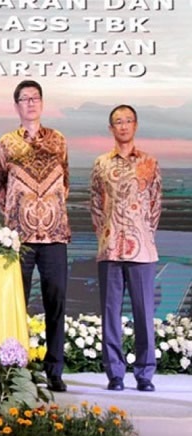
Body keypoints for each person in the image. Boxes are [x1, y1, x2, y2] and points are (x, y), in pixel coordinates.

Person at [0, 80, 70, 392]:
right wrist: (20, 210)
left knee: (56, 305)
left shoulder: (59, 140)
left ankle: (54, 371)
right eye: (24, 99)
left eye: (35, 98)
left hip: (54, 237)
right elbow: (0, 186)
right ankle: (17, 369)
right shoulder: (6, 143)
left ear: (42, 103)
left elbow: (65, 183)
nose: (30, 103)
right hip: (19, 240)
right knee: (16, 305)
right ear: (16, 106)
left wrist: (47, 207)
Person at [90, 105, 162, 392]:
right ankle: (115, 374)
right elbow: (95, 204)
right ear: (111, 128)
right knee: (111, 312)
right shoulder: (101, 163)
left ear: (136, 125)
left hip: (142, 250)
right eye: (117, 122)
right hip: (110, 249)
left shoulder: (149, 162)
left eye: (128, 121)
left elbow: (156, 204)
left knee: (144, 313)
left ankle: (145, 374)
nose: (123, 126)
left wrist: (142, 232)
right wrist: (107, 233)